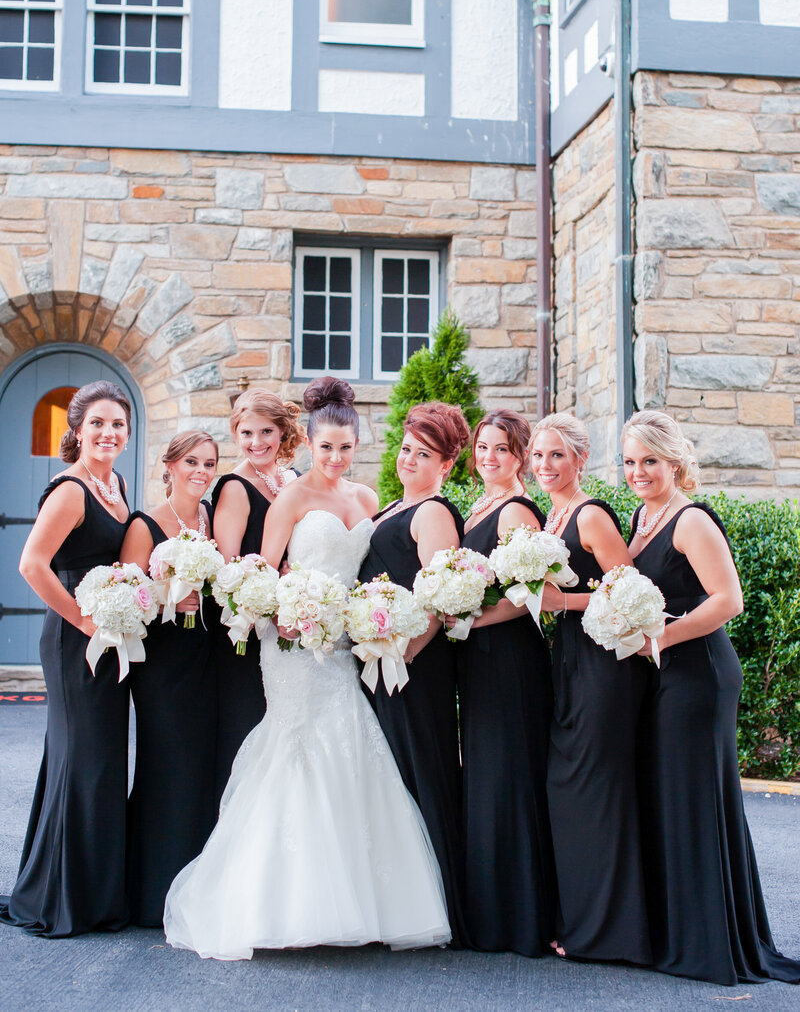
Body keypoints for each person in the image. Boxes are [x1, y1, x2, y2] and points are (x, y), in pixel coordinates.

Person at [163, 377, 450, 958]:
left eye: (347, 448)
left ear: (357, 446)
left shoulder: (369, 499)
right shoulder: (291, 498)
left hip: (345, 645)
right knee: (297, 747)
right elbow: (263, 571)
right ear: (310, 446)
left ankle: (362, 899)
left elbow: (372, 577)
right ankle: (276, 904)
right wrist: (288, 612)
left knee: (350, 740)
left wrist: (374, 619)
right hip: (292, 644)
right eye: (326, 448)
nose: (337, 458)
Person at [624, 410, 800, 986]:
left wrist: (661, 637)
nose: (639, 472)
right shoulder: (641, 518)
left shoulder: (690, 520)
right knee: (670, 798)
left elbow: (729, 600)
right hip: (662, 671)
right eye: (629, 462)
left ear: (674, 461)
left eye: (650, 460)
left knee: (694, 801)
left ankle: (710, 944)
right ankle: (682, 931)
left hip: (697, 672)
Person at [0, 382, 132, 936]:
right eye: (98, 424)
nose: (109, 434)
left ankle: (91, 891)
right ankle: (64, 899)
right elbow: (33, 565)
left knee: (96, 762)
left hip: (112, 638)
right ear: (76, 430)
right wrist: (82, 620)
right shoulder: (71, 490)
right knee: (84, 762)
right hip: (74, 638)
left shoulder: (115, 484)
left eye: (118, 426)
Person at [531, 413, 650, 966]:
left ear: (580, 459)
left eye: (557, 455)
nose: (546, 466)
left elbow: (630, 591)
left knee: (595, 790)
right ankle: (583, 920)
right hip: (569, 662)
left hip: (604, 667)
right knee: (570, 790)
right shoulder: (551, 518)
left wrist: (566, 603)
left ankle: (608, 934)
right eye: (538, 456)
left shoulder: (591, 515)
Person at [358, 401, 472, 948]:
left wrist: (403, 654)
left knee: (420, 771)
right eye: (405, 448)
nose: (408, 459)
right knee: (392, 777)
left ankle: (442, 901)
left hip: (413, 668)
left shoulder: (433, 514)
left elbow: (439, 600)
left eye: (423, 454)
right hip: (381, 661)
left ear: (446, 464)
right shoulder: (389, 509)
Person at [456, 410, 556, 956]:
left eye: (501, 449)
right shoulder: (480, 506)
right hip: (478, 657)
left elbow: (527, 598)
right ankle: (490, 911)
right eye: (482, 447)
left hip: (509, 659)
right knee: (487, 775)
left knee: (508, 776)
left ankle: (519, 920)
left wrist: (468, 620)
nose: (489, 457)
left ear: (519, 456)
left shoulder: (517, 510)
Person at [120, 431, 219, 927]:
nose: (200, 471)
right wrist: (166, 598)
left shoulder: (211, 519)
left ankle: (194, 887)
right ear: (170, 465)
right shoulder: (145, 524)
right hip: (163, 666)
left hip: (209, 658)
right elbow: (126, 600)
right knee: (167, 765)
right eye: (191, 462)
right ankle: (150, 892)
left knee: (203, 767)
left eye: (209, 463)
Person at [208, 389, 302, 803]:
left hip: (293, 624)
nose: (257, 442)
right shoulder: (234, 487)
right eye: (247, 433)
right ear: (236, 435)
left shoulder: (292, 480)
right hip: (246, 635)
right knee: (247, 730)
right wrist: (272, 592)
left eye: (267, 431)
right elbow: (228, 571)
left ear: (283, 433)